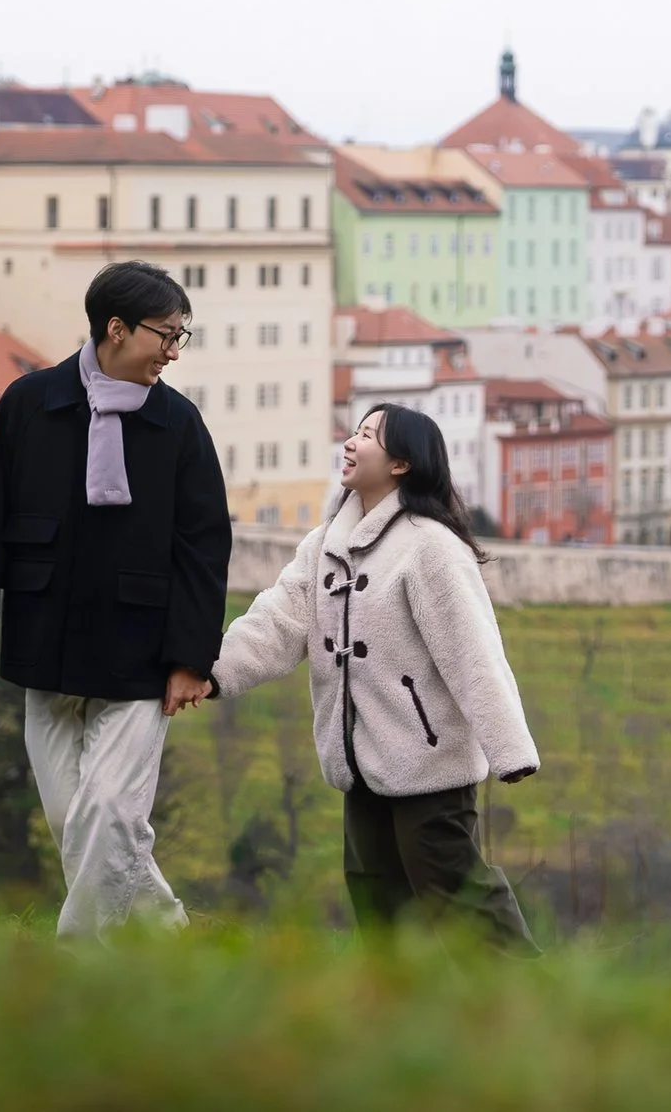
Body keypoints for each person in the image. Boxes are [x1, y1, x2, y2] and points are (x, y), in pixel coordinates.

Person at [0, 260, 229, 936]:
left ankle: (80, 956)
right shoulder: (29, 403)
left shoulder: (179, 425)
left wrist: (191, 659)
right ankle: (166, 934)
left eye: (182, 337)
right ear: (116, 329)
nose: (174, 352)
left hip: (140, 654)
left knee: (108, 812)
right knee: (73, 817)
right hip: (46, 641)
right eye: (166, 335)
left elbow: (203, 549)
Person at [209, 403, 539, 949]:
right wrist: (212, 673)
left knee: (458, 894)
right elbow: (278, 621)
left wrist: (510, 750)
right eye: (354, 431)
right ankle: (392, 994)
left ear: (401, 464)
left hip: (428, 762)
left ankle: (528, 987)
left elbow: (474, 652)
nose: (350, 442)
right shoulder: (323, 545)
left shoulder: (431, 546)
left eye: (367, 435)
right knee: (375, 896)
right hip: (358, 759)